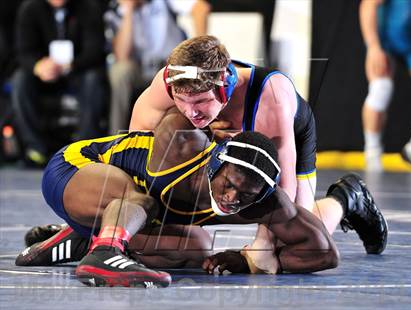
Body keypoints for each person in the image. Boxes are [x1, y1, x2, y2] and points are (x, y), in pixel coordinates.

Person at [16, 109, 387, 287]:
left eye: (245, 195)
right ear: (213, 167)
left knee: (195, 251)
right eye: (229, 184)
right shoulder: (182, 149)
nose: (231, 198)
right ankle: (103, 252)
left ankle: (86, 238)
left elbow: (322, 252)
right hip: (76, 169)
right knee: (141, 200)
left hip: (117, 210)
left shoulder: (263, 200)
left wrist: (245, 260)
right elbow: (169, 114)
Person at [127, 35, 387, 262]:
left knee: (292, 240)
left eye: (200, 101)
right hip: (222, 141)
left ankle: (347, 196)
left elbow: (283, 188)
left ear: (223, 88)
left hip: (285, 140)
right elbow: (135, 142)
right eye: (180, 100)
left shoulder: (270, 98)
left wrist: (263, 244)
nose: (189, 110)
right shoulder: (170, 80)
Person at [12, 0, 108, 165]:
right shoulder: (30, 8)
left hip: (78, 70)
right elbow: (23, 51)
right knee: (20, 80)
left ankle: (84, 148)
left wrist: (69, 65)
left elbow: (95, 50)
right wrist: (38, 66)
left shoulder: (89, 7)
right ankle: (36, 148)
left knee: (94, 79)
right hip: (43, 74)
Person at [105, 0, 211, 134]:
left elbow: (201, 8)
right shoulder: (116, 11)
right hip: (138, 68)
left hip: (171, 65)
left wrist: (201, 51)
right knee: (120, 71)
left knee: (192, 70)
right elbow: (121, 55)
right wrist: (129, 10)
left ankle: (192, 136)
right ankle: (117, 140)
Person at [359, 0, 411, 171]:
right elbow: (368, 5)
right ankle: (372, 155)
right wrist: (373, 47)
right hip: (384, 40)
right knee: (381, 89)